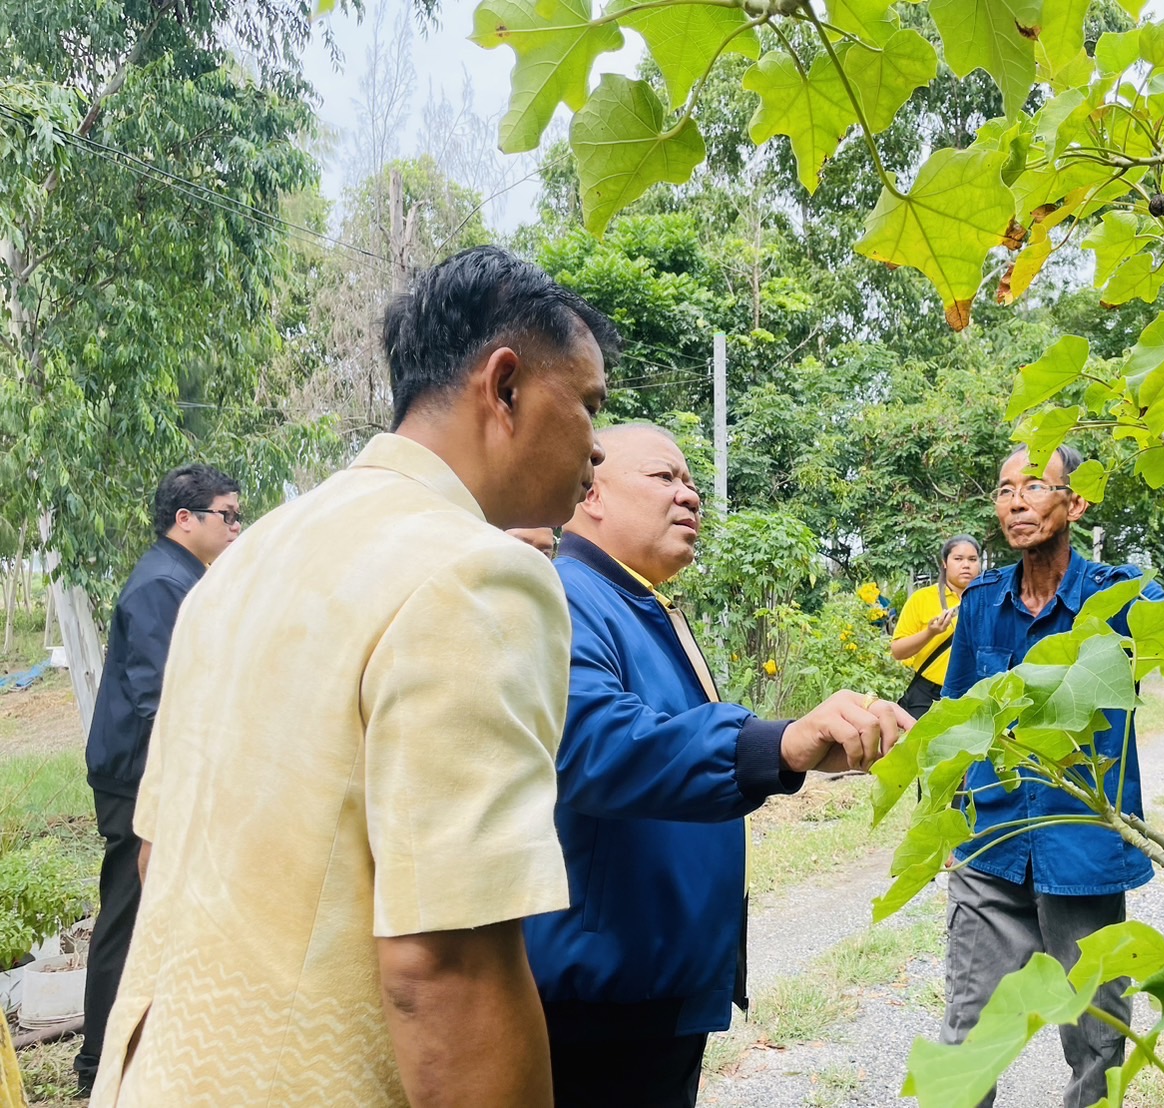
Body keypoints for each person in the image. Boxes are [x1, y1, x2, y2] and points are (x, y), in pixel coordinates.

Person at [90, 246, 616, 1108]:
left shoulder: (252, 554)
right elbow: (446, 965)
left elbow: (159, 853)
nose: (597, 448)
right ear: (507, 386)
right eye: (589, 407)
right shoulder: (475, 574)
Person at [525, 422, 911, 1108]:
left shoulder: (636, 601)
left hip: (650, 986)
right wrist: (779, 744)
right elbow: (599, 742)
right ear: (591, 493)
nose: (689, 496)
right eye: (663, 478)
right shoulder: (566, 596)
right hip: (601, 1001)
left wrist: (790, 749)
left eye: (692, 481)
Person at [938, 444, 1164, 1108]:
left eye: (1034, 485)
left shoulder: (1115, 594)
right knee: (967, 1026)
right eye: (1003, 488)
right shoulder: (981, 601)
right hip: (991, 839)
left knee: (1095, 1033)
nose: (1014, 500)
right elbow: (955, 720)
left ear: (1075, 502)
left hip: (1081, 844)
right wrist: (947, 825)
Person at [74, 464, 241, 1095]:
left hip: (152, 773)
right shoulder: (160, 586)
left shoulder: (183, 578)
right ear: (186, 519)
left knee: (152, 909)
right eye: (227, 515)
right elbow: (161, 698)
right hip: (134, 779)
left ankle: (141, 1043)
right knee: (128, 911)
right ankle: (97, 1060)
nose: (235, 528)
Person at [891, 534, 982, 718]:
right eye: (958, 559)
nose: (966, 565)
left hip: (976, 695)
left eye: (972, 559)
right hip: (928, 695)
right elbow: (898, 651)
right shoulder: (922, 598)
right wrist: (930, 633)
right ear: (945, 563)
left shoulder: (991, 598)